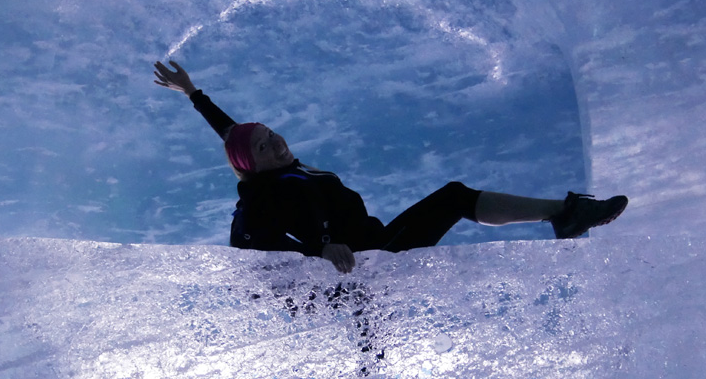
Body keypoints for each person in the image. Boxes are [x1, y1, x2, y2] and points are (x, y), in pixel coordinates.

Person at [154, 61, 628, 274]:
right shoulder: (265, 190)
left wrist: (194, 93)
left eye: (271, 133)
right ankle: (564, 214)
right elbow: (256, 240)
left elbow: (232, 132)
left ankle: (564, 214)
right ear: (251, 165)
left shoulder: (287, 168)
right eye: (263, 146)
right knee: (453, 198)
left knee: (454, 196)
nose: (274, 141)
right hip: (366, 262)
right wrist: (319, 250)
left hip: (373, 251)